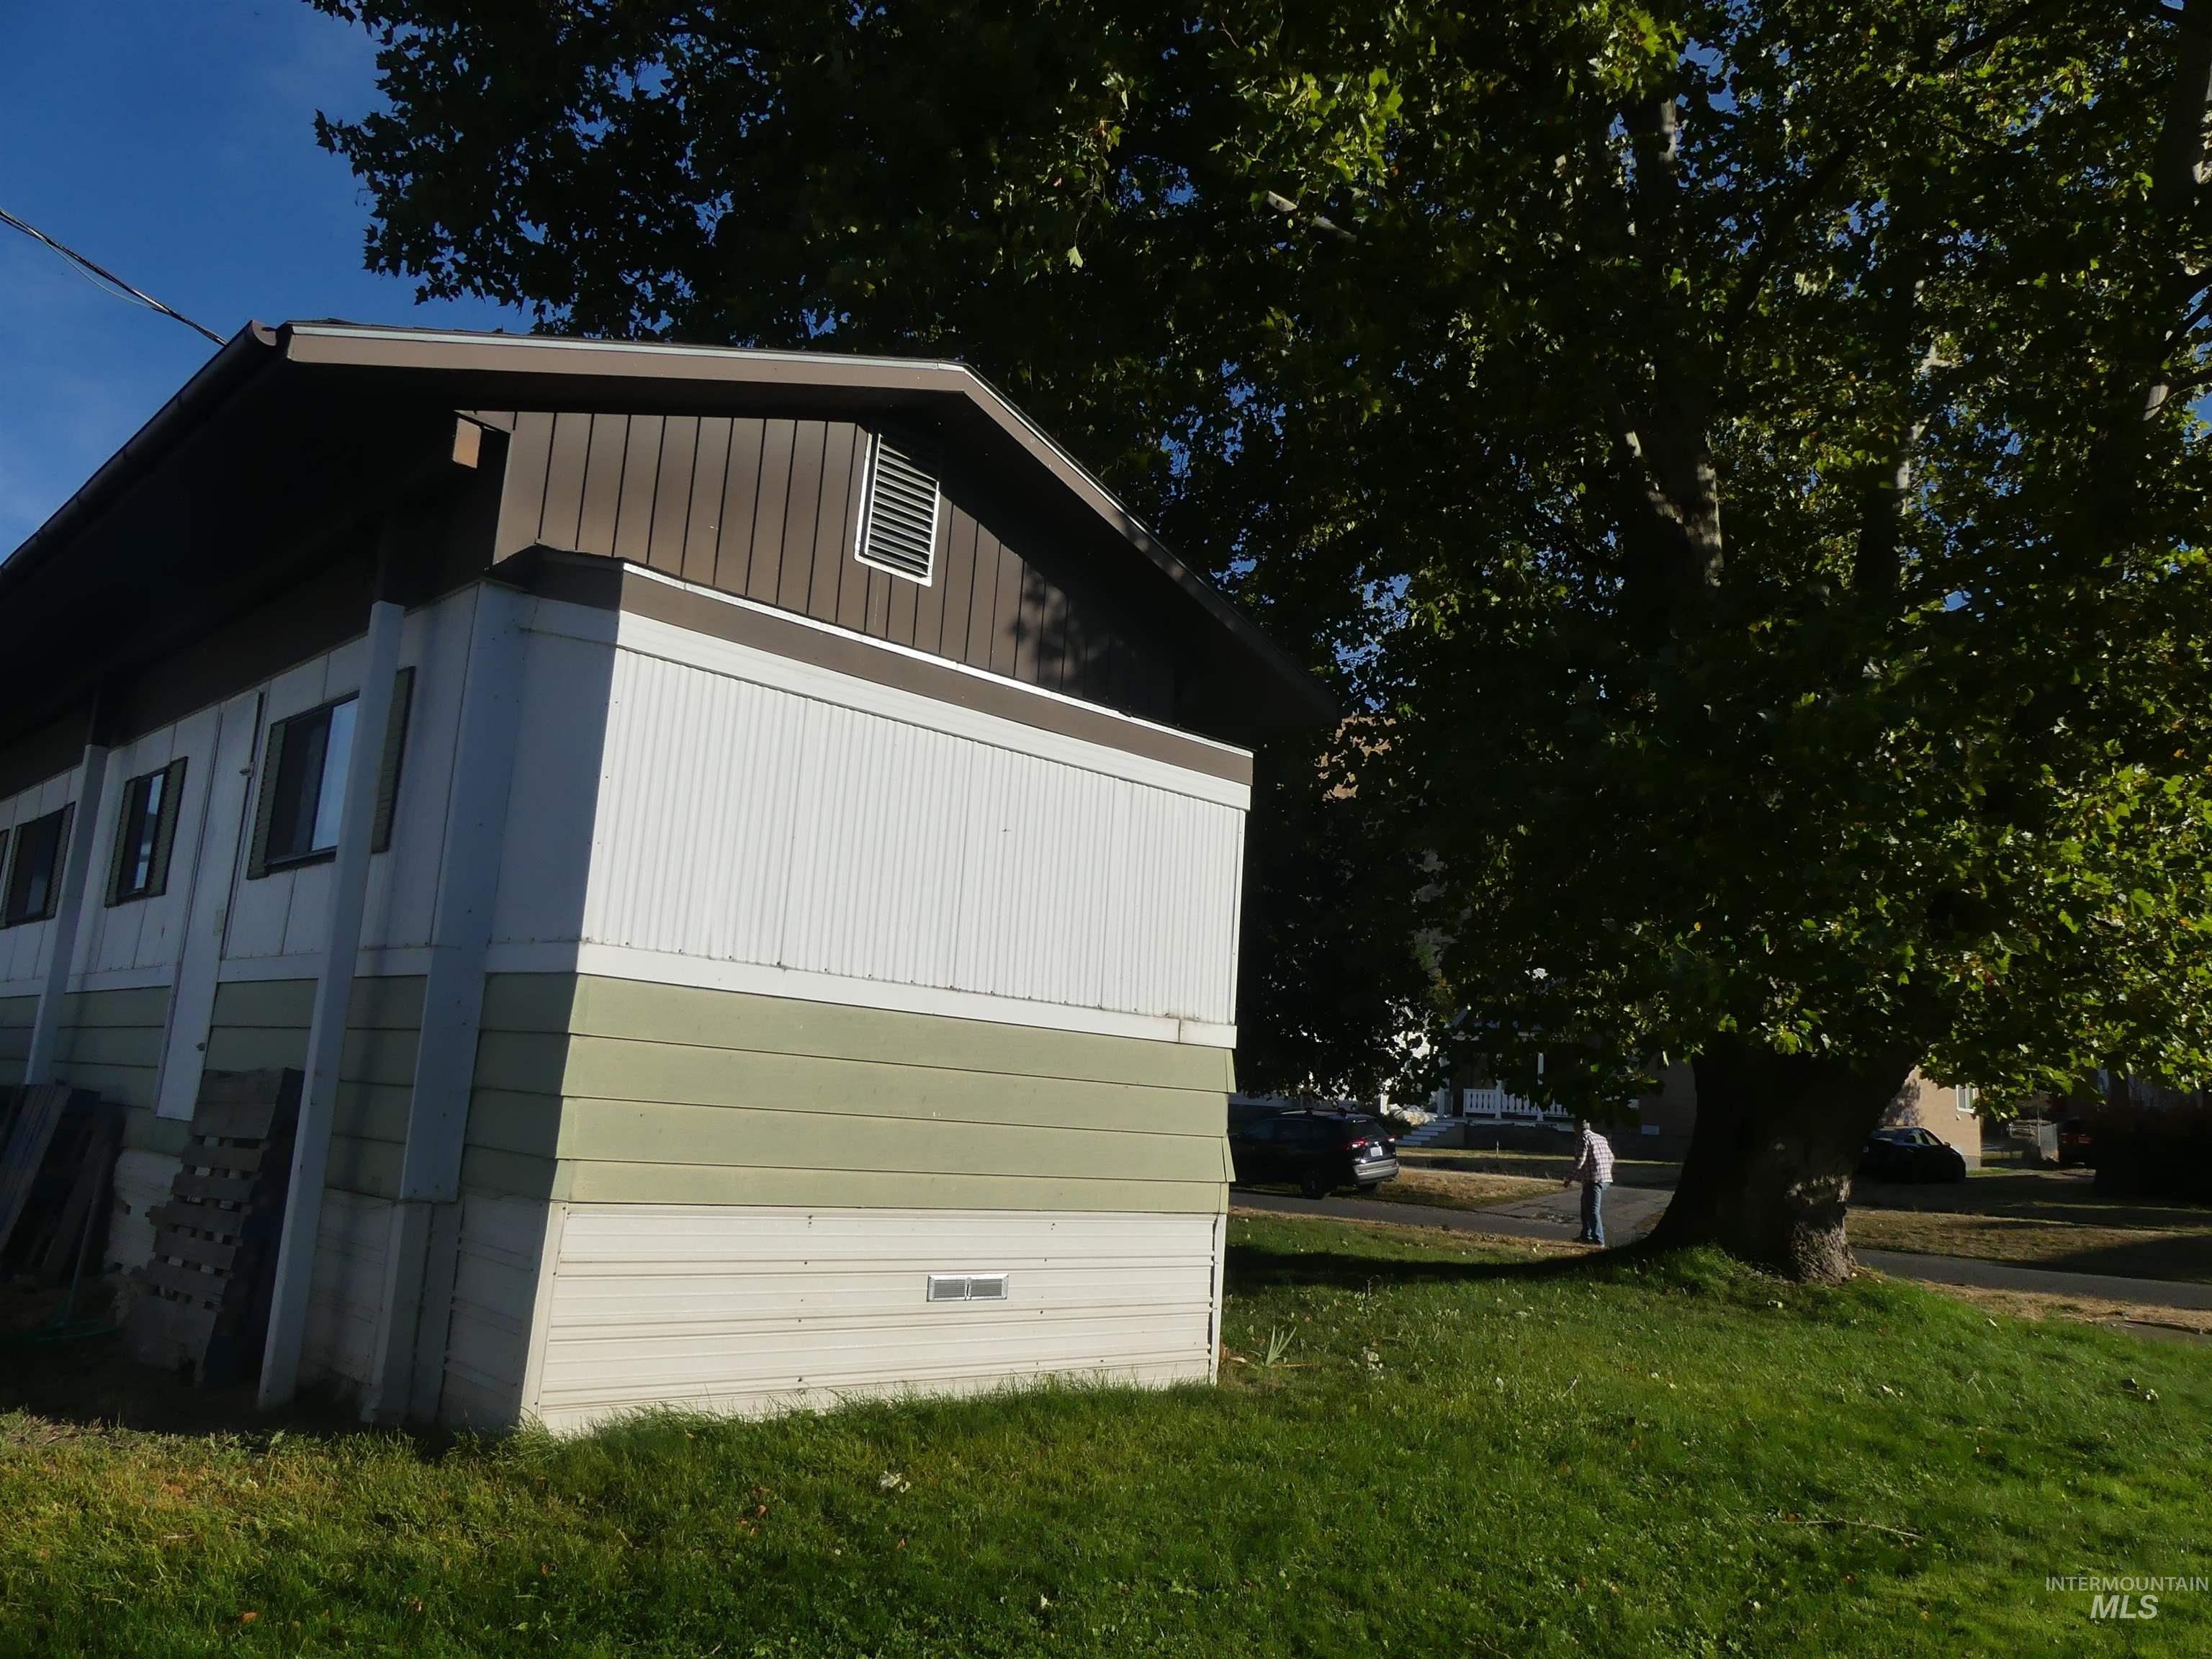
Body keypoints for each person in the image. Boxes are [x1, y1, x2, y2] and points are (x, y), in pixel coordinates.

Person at [1564, 1118, 1616, 1246]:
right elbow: (1611, 1157)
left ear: (1577, 1128)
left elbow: (1580, 1161)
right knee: (1585, 1206)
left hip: (1593, 1179)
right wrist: (1605, 1169)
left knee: (1593, 1210)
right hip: (1605, 1178)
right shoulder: (1601, 1138)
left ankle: (1599, 1241)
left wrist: (1569, 1179)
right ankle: (1585, 1236)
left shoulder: (1582, 1139)